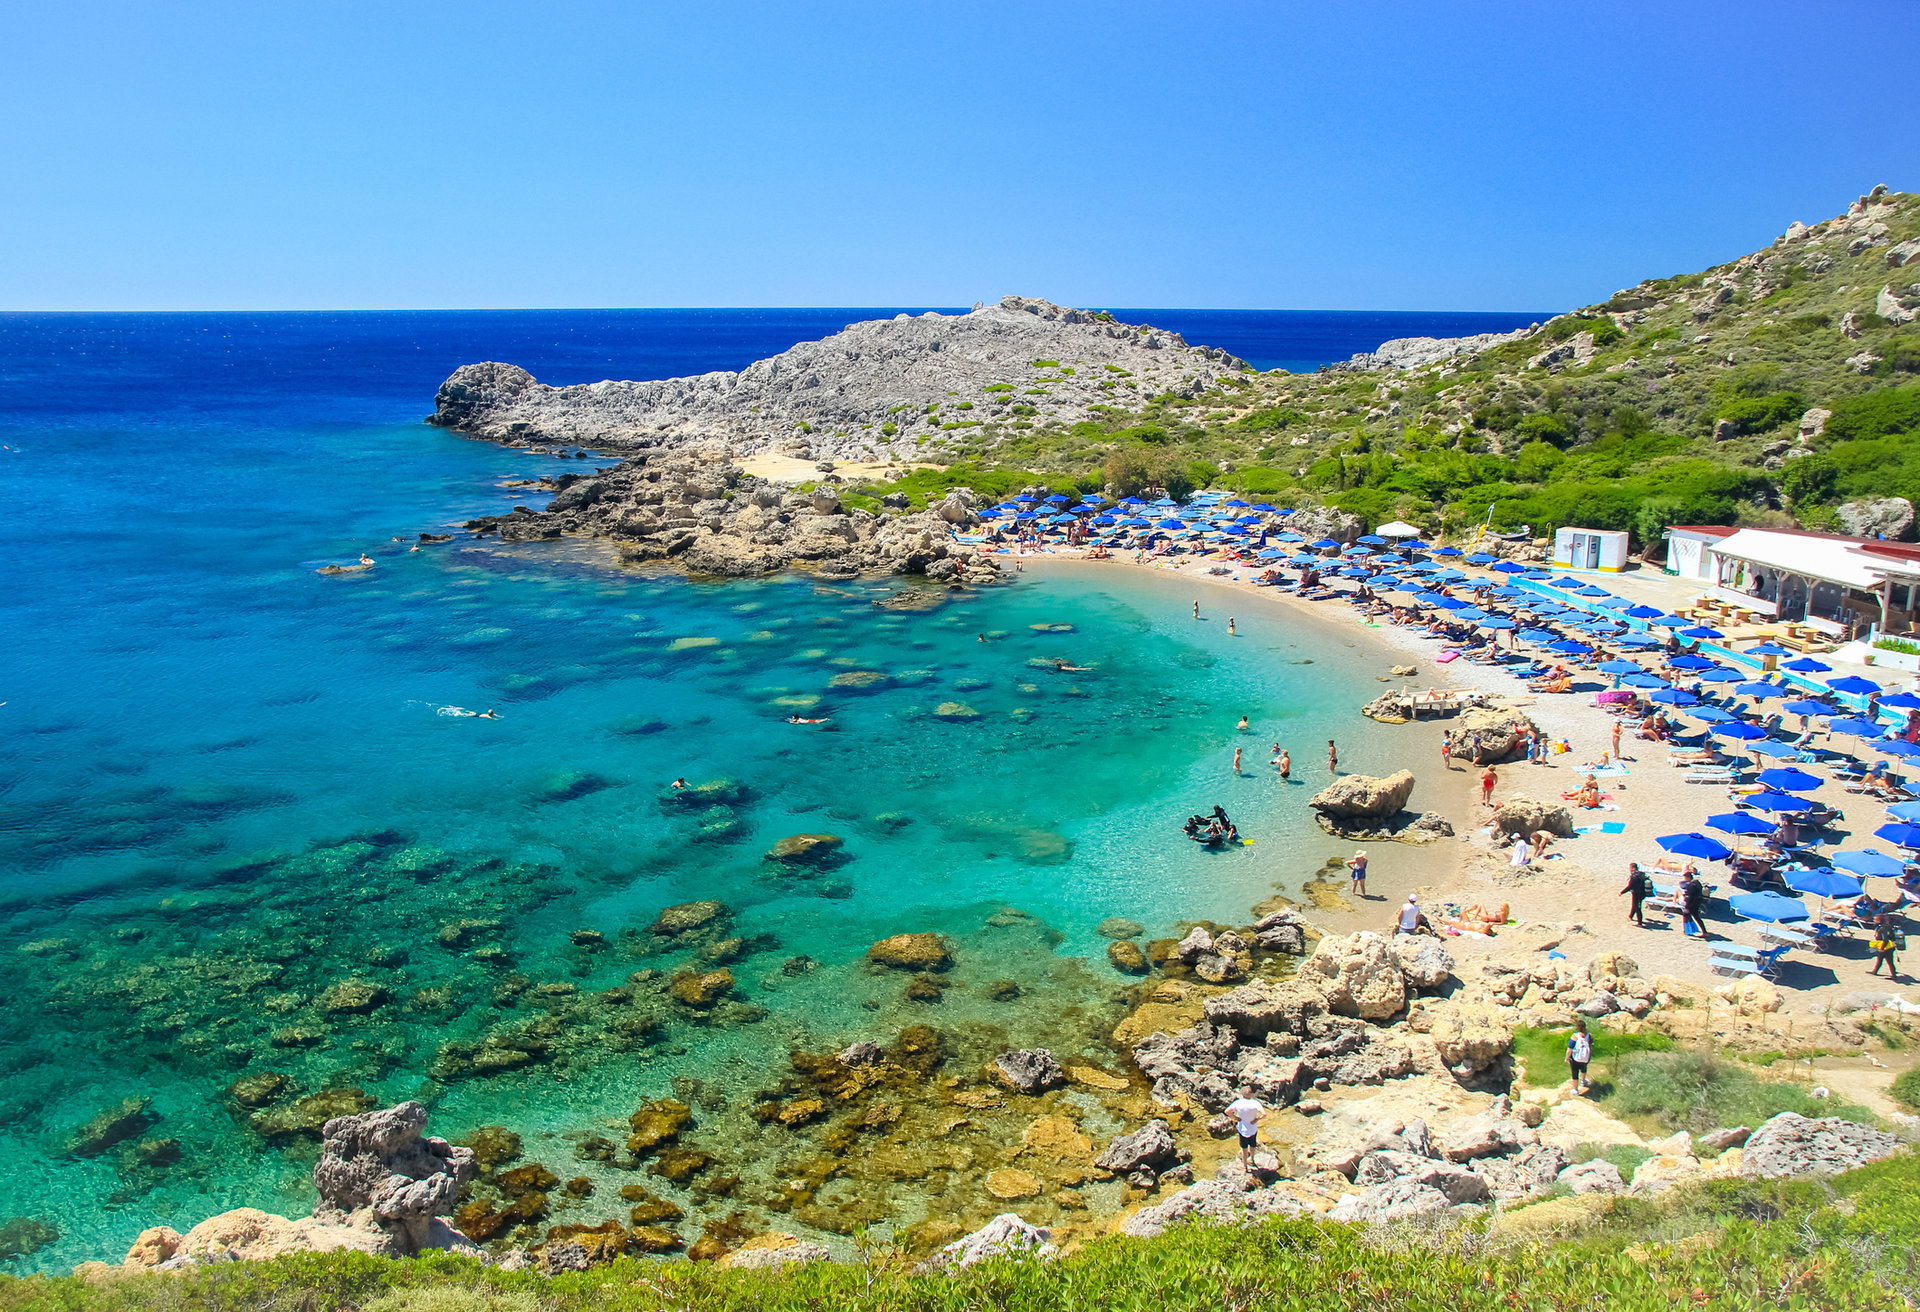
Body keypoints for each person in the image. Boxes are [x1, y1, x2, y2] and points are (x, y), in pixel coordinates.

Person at [1225, 1087, 1265, 1170]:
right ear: (1251, 1094)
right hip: (1253, 1128)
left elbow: (1227, 1111)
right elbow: (1264, 1114)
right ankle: (1252, 1160)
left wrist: (1236, 1117)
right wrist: (1257, 1119)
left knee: (1244, 1148)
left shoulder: (1238, 1103)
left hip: (1243, 1129)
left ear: (1242, 1094)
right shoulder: (1255, 1103)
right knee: (1253, 1144)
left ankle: (1244, 1165)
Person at [1869, 911, 1900, 978]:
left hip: (1886, 946)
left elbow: (1885, 939)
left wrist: (1882, 948)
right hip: (1890, 945)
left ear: (1879, 920)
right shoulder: (1886, 926)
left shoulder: (1882, 928)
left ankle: (1893, 975)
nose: (1873, 920)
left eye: (1875, 919)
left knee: (1889, 961)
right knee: (1880, 959)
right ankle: (1875, 971)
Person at [1566, 1019, 1594, 1095]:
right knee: (1583, 1068)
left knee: (1575, 1073)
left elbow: (1570, 1049)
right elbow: (1590, 1045)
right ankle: (1583, 1081)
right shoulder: (1589, 1035)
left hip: (1575, 1058)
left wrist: (1567, 1058)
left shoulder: (1575, 1036)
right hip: (1585, 1057)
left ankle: (1575, 1090)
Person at [1680, 871, 1709, 940]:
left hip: (1691, 904)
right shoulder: (1697, 883)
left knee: (1686, 915)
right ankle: (1704, 932)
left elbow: (1690, 897)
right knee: (1697, 917)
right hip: (1697, 903)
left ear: (1688, 877)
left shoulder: (1691, 885)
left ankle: (1686, 931)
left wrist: (1687, 907)